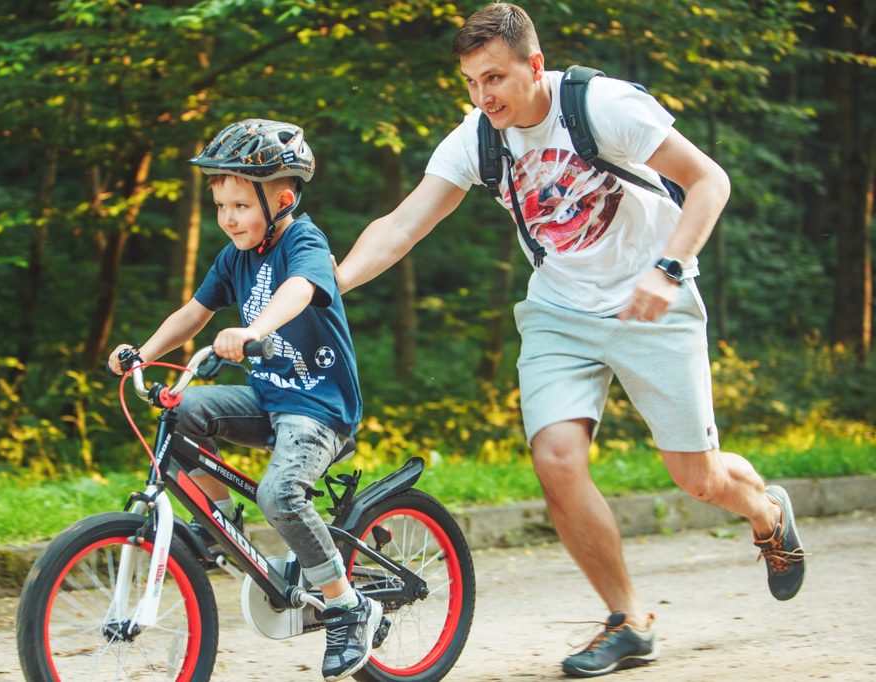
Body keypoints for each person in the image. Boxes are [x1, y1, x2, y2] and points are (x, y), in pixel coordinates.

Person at [334, 4, 805, 678]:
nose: (483, 96)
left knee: (695, 477)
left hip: (652, 302)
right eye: (471, 82)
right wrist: (332, 283)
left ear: (534, 65)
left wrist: (670, 269)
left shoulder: (600, 106)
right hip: (559, 310)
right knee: (556, 460)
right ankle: (628, 621)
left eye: (494, 78)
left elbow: (710, 181)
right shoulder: (478, 138)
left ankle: (766, 512)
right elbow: (402, 224)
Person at [107, 119, 381, 682]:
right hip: (267, 397)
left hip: (318, 407)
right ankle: (219, 522)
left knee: (280, 494)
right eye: (220, 207)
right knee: (182, 410)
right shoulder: (234, 257)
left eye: (240, 205)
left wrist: (255, 330)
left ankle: (346, 606)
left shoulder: (304, 242)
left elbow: (300, 289)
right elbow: (194, 313)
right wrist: (142, 353)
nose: (228, 218)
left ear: (281, 201)